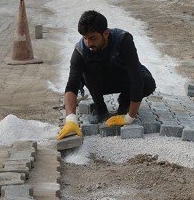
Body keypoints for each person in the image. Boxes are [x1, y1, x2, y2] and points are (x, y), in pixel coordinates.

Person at [57, 10, 157, 140]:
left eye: (93, 38)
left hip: (122, 78)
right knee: (90, 68)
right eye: (85, 38)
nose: (89, 43)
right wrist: (70, 119)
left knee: (148, 83)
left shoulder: (123, 39)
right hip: (99, 82)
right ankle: (100, 109)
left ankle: (125, 103)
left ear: (106, 33)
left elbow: (136, 77)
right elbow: (71, 85)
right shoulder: (81, 50)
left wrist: (130, 117)